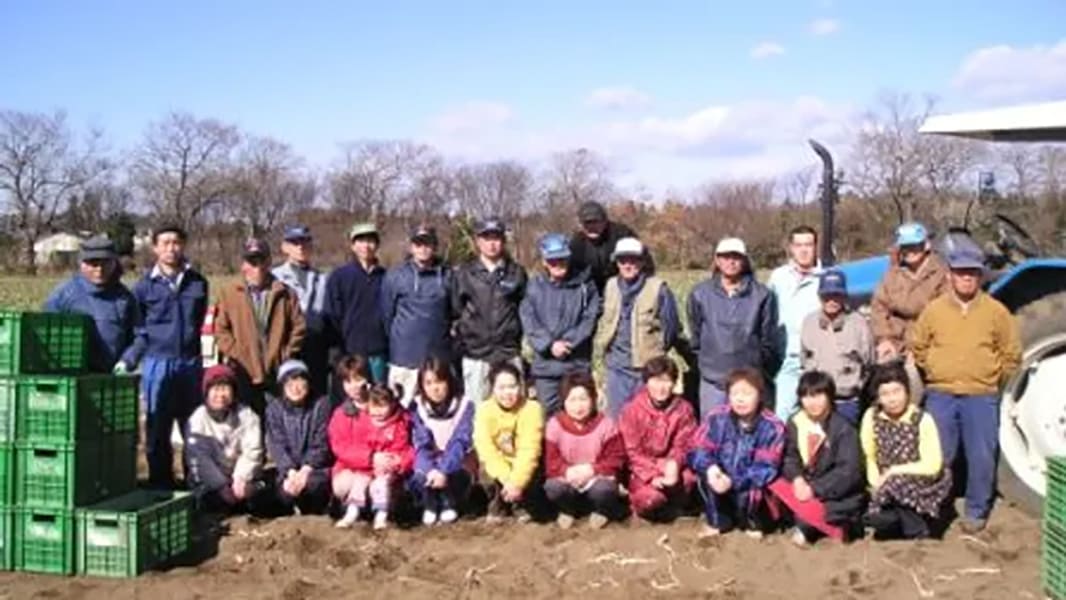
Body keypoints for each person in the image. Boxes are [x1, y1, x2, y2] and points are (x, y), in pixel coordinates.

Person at [912, 245, 1021, 533]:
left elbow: (1011, 353)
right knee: (938, 454)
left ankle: (976, 509)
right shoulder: (934, 311)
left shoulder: (996, 312)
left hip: (981, 394)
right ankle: (937, 506)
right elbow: (919, 347)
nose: (967, 279)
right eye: (961, 273)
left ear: (981, 277)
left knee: (981, 454)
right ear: (950, 276)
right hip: (942, 393)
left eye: (972, 273)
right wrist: (935, 370)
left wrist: (992, 379)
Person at [126, 224, 210, 489]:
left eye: (176, 242)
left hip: (190, 363)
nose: (171, 248)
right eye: (165, 243)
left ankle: (194, 483)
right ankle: (161, 484)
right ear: (155, 248)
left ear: (183, 245)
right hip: (156, 363)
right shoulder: (143, 287)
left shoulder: (198, 282)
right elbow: (139, 327)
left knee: (193, 427)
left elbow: (199, 319)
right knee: (157, 427)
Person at [768, 371, 866, 546]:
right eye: (806, 396)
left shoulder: (843, 428)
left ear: (829, 396)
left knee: (827, 511)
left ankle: (821, 527)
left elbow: (849, 472)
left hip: (833, 492)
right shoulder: (795, 422)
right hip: (804, 484)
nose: (812, 402)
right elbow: (790, 456)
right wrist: (797, 479)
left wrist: (815, 489)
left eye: (818, 395)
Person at [688, 237, 781, 416]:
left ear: (744, 260)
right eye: (725, 257)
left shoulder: (762, 295)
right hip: (713, 380)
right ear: (717, 260)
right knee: (712, 435)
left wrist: (756, 366)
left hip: (748, 381)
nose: (731, 261)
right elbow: (696, 335)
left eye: (736, 257)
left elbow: (768, 339)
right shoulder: (700, 293)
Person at [688, 368, 785, 538]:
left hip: (750, 488)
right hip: (721, 482)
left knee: (758, 488)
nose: (740, 399)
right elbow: (697, 448)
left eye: (747, 393)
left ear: (760, 395)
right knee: (703, 475)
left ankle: (753, 523)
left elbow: (766, 468)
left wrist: (733, 481)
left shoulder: (772, 426)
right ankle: (718, 521)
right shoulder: (716, 418)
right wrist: (711, 468)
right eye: (734, 393)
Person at [215, 238, 306, 417]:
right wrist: (237, 354)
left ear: (269, 262)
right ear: (243, 265)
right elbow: (221, 330)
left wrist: (285, 353)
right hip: (243, 371)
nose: (257, 268)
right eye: (251, 261)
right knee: (245, 421)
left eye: (261, 261)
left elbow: (298, 327)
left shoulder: (286, 294)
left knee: (276, 419)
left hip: (275, 371)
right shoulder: (229, 294)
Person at [861, 364, 952, 540]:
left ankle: (918, 530)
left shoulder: (922, 419)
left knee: (896, 485)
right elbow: (869, 456)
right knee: (877, 519)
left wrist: (893, 472)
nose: (892, 399)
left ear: (907, 392)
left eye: (897, 392)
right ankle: (904, 520)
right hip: (886, 484)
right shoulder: (871, 416)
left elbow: (932, 465)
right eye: (885, 394)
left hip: (921, 480)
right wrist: (875, 483)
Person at [595, 237, 681, 417]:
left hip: (647, 369)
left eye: (633, 260)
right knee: (616, 419)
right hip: (616, 367)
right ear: (616, 262)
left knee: (646, 418)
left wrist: (655, 351)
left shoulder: (659, 289)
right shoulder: (610, 286)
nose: (628, 265)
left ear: (642, 261)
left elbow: (671, 328)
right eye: (622, 260)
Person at [519, 233, 600, 415]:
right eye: (553, 260)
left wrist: (569, 342)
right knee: (548, 417)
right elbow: (529, 319)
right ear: (544, 262)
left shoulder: (585, 286)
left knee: (581, 414)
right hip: (546, 368)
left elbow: (590, 318)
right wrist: (549, 345)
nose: (558, 264)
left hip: (577, 364)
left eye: (562, 259)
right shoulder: (534, 286)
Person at [451, 217, 528, 403]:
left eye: (496, 238)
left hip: (508, 352)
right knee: (478, 412)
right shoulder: (464, 273)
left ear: (503, 241)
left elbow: (524, 309)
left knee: (514, 407)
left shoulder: (516, 272)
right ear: (478, 242)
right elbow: (456, 310)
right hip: (477, 354)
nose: (492, 244)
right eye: (486, 238)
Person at [870, 222, 950, 400]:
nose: (910, 251)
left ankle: (913, 415)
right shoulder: (891, 275)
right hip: (897, 340)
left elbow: (943, 314)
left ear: (926, 245)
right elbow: (879, 308)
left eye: (915, 245)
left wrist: (919, 346)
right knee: (881, 372)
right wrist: (884, 340)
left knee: (912, 375)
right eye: (905, 247)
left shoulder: (941, 274)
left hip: (929, 343)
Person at [543, 371, 627, 529]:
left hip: (596, 477)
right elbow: (551, 463)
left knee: (604, 490)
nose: (578, 406)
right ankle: (568, 510)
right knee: (553, 487)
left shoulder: (606, 424)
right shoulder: (554, 425)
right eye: (572, 400)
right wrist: (567, 472)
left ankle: (601, 510)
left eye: (583, 399)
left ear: (593, 399)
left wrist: (592, 470)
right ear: (564, 402)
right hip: (568, 477)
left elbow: (615, 459)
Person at [618, 356, 698, 522]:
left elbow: (686, 444)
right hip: (642, 471)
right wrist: (653, 474)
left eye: (666, 381)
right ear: (646, 382)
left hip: (672, 469)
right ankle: (642, 510)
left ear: (674, 383)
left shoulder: (684, 409)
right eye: (655, 381)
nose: (661, 387)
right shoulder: (631, 410)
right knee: (650, 499)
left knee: (689, 480)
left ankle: (674, 508)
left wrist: (674, 464)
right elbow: (631, 452)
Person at [44, 236, 139, 374]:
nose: (99, 269)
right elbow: (47, 332)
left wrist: (127, 360)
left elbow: (139, 336)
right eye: (93, 264)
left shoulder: (125, 298)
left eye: (106, 263)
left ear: (114, 263)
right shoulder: (64, 295)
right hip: (70, 375)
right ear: (81, 264)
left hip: (109, 374)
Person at [382, 225, 454, 407]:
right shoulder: (395, 276)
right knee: (400, 409)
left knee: (436, 409)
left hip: (437, 360)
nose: (423, 248)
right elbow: (386, 315)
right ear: (411, 247)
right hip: (404, 359)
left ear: (435, 246)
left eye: (427, 244)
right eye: (418, 244)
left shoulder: (448, 276)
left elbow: (454, 312)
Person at [328, 383, 414, 530]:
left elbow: (404, 448)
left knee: (381, 486)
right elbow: (359, 446)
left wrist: (397, 462)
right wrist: (369, 458)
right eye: (374, 406)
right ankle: (352, 512)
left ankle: (381, 515)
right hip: (366, 468)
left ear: (392, 405)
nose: (378, 411)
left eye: (383, 406)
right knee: (358, 483)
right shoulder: (366, 422)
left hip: (387, 469)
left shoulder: (398, 425)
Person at [186, 364, 266, 513]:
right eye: (215, 389)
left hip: (241, 478)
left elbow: (253, 450)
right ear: (206, 393)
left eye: (225, 389)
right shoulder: (197, 419)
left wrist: (241, 478)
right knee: (211, 502)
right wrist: (221, 485)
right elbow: (200, 460)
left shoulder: (247, 416)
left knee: (258, 497)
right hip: (211, 481)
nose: (220, 396)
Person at [473, 362, 545, 524]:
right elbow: (486, 450)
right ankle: (497, 504)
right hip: (500, 464)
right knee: (486, 471)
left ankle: (521, 504)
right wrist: (508, 480)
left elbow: (529, 449)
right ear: (493, 389)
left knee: (532, 468)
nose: (507, 393)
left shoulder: (532, 409)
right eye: (501, 387)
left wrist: (517, 482)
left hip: (521, 463)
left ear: (521, 386)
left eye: (512, 386)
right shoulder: (484, 410)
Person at [799, 269, 874, 425]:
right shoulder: (809, 323)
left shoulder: (859, 323)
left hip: (847, 403)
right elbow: (804, 360)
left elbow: (869, 363)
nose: (831, 300)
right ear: (820, 296)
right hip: (816, 401)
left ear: (844, 296)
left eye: (836, 295)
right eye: (827, 295)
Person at [408, 356, 477, 526]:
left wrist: (444, 470)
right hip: (430, 464)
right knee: (417, 474)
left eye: (439, 381)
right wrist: (431, 469)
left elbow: (460, 440)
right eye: (429, 383)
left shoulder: (465, 405)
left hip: (455, 463)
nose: (435, 388)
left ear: (449, 380)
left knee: (461, 472)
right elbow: (421, 442)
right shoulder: (416, 407)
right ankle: (428, 502)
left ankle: (450, 501)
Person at [767, 225, 822, 420]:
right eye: (799, 245)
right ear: (791, 248)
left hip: (817, 359)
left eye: (809, 244)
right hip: (786, 359)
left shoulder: (826, 278)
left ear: (816, 246)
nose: (804, 250)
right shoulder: (778, 277)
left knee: (815, 415)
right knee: (782, 414)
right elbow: (768, 314)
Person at [264, 359, 332, 515]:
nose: (295, 388)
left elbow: (321, 443)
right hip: (288, 470)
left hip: (315, 468)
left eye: (300, 381)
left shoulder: (321, 405)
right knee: (283, 492)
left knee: (314, 486)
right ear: (282, 386)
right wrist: (291, 471)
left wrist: (306, 469)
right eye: (289, 383)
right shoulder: (274, 409)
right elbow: (277, 445)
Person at [324, 222, 388, 384]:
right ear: (353, 246)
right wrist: (337, 352)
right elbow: (332, 316)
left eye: (370, 241)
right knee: (353, 402)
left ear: (377, 245)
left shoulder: (387, 277)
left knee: (378, 398)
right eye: (360, 241)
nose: (366, 246)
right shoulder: (339, 277)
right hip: (350, 352)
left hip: (379, 352)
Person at [272, 225, 331, 398]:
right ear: (285, 247)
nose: (300, 247)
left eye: (304, 242)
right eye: (294, 243)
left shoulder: (322, 279)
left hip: (316, 349)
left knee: (316, 395)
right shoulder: (275, 278)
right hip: (287, 347)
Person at [568, 200, 637, 293]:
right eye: (587, 223)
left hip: (625, 287)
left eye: (596, 222)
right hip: (592, 290)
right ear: (581, 225)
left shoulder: (623, 235)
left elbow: (643, 262)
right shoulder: (576, 244)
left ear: (605, 221)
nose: (592, 227)